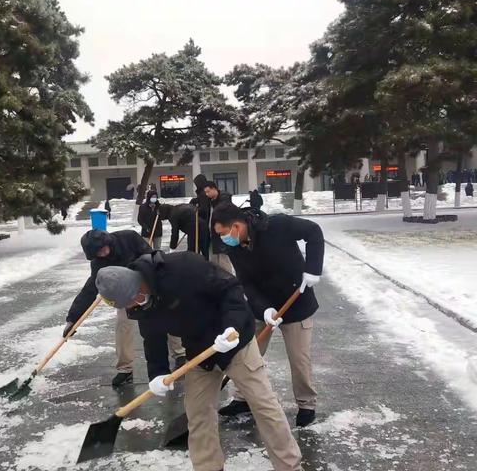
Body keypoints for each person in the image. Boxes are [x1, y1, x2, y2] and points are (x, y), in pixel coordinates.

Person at [95, 251, 303, 471]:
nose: (132, 306)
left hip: (234, 341)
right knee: (198, 413)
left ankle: (290, 466)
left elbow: (231, 289)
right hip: (199, 351)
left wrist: (231, 327)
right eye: (127, 305)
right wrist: (157, 374)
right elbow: (152, 338)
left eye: (133, 300)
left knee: (263, 404)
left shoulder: (185, 267)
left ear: (138, 286)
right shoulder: (140, 307)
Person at [212, 203, 324, 427]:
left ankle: (306, 404)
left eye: (223, 234)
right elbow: (246, 282)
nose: (223, 239)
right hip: (263, 308)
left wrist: (313, 269)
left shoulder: (277, 225)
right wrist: (263, 309)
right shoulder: (234, 248)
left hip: (296, 300)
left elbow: (313, 232)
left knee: (299, 359)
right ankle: (243, 398)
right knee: (247, 354)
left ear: (236, 225)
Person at [64, 229, 183, 386]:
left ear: (108, 241)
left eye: (103, 248)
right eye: (98, 252)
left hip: (148, 286)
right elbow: (90, 289)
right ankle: (125, 369)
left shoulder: (129, 238)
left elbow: (151, 259)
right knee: (122, 324)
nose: (103, 253)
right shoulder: (98, 262)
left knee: (165, 316)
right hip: (124, 297)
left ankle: (180, 354)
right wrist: (73, 318)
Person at [203, 181, 233, 273]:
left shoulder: (224, 198)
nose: (207, 194)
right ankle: (217, 280)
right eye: (205, 192)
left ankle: (229, 280)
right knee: (214, 260)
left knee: (224, 259)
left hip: (223, 234)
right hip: (212, 234)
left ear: (214, 188)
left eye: (208, 192)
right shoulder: (210, 200)